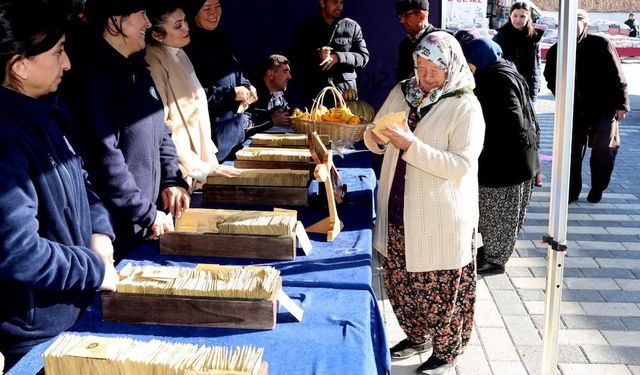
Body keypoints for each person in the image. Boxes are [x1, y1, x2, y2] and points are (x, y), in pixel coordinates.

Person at [0, 0, 119, 370]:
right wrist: (94, 268)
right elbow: (19, 252)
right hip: (38, 335)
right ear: (19, 65)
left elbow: (83, 181)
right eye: (58, 52)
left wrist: (100, 231)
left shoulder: (47, 111)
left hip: (75, 310)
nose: (67, 63)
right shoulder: (5, 139)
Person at [364, 32, 484, 374]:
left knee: (441, 288)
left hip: (440, 215)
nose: (425, 78)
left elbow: (461, 165)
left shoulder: (465, 106)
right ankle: (417, 336)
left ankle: (447, 351)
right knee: (401, 282)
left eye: (434, 70)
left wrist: (410, 145)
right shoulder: (403, 91)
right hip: (399, 207)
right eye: (420, 67)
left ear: (452, 68)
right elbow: (374, 133)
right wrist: (376, 137)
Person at [64, 0, 190, 259]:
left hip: (146, 222)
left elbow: (161, 131)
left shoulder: (138, 68)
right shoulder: (92, 79)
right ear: (115, 20)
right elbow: (105, 161)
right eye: (142, 14)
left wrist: (171, 180)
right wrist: (144, 212)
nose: (147, 22)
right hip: (116, 233)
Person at [457, 34, 539, 275]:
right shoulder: (506, 70)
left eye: (469, 62)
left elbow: (511, 119)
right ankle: (493, 251)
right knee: (501, 213)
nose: (468, 68)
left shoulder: (494, 79)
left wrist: (482, 133)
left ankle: (495, 260)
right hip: (518, 158)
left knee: (498, 214)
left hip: (506, 162)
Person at [145, 0, 240, 192]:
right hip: (179, 171)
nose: (187, 28)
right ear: (157, 34)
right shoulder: (153, 62)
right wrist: (196, 167)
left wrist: (209, 162)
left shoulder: (180, 53)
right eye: (178, 26)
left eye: (185, 21)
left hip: (198, 165)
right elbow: (165, 125)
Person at [544, 10, 629, 204]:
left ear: (585, 25)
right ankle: (572, 190)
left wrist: (622, 104)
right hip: (573, 109)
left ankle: (598, 187)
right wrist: (562, 95)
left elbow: (618, 75)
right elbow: (550, 77)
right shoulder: (557, 49)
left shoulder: (601, 44)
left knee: (604, 149)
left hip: (603, 107)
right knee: (570, 152)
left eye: (576, 23)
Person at [181, 0, 257, 161]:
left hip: (234, 139)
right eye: (207, 8)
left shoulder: (220, 39)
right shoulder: (187, 47)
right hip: (208, 147)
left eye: (217, 6)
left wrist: (247, 85)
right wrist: (231, 93)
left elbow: (236, 72)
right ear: (194, 12)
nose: (214, 13)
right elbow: (190, 96)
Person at [291, 0, 369, 106]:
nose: (339, 6)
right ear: (322, 3)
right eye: (335, 2)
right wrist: (318, 54)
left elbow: (364, 57)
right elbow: (296, 57)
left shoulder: (352, 26)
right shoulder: (307, 28)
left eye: (341, 2)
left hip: (345, 93)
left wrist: (339, 57)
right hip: (316, 91)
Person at [493, 1, 544, 102]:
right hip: (507, 86)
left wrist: (536, 88)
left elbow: (537, 66)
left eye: (522, 16)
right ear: (510, 16)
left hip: (528, 87)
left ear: (528, 17)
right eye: (515, 15)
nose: (518, 20)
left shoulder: (534, 37)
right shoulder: (501, 36)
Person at [394, 0, 444, 83]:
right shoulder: (405, 44)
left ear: (421, 16)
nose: (402, 21)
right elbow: (401, 80)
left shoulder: (444, 39)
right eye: (400, 16)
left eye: (406, 15)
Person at [251, 54, 293, 132]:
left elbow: (287, 118)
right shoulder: (251, 95)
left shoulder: (279, 97)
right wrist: (271, 121)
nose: (290, 77)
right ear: (271, 74)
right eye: (285, 71)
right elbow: (241, 126)